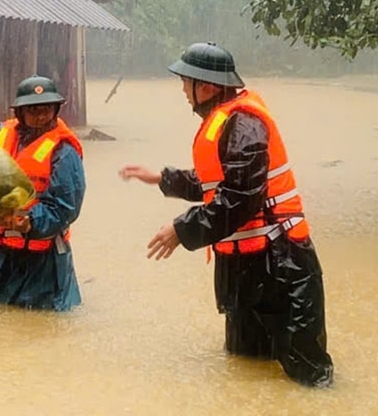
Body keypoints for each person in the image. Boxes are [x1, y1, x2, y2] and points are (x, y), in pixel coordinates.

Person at [119, 42, 335, 387]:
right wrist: (162, 178)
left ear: (205, 86)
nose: (183, 92)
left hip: (281, 265)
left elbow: (239, 198)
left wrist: (181, 229)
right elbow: (215, 183)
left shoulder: (245, 125)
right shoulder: (225, 122)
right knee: (246, 368)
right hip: (245, 268)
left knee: (306, 375)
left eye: (186, 82)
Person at [0, 76, 85, 311]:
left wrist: (29, 221)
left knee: (42, 325)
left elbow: (66, 207)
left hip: (44, 262)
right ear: (20, 112)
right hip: (1, 255)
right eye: (32, 110)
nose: (40, 116)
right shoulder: (2, 132)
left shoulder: (64, 150)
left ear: (55, 109)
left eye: (46, 109)